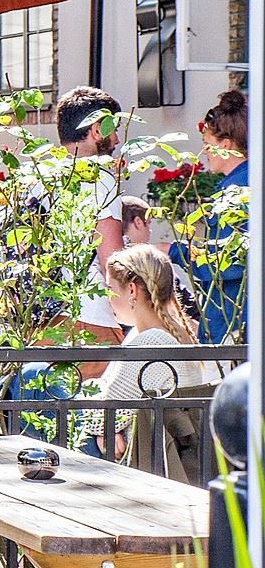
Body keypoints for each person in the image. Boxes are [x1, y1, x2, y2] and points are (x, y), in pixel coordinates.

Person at [79, 244, 209, 468]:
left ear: (132, 290)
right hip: (159, 451)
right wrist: (105, 428)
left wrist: (103, 430)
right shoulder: (178, 333)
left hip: (143, 458)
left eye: (110, 289)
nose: (107, 298)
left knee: (37, 383)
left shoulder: (150, 343)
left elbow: (104, 415)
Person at [173, 89, 248, 344]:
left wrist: (177, 252)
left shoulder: (237, 190)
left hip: (233, 319)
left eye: (208, 144)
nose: (203, 152)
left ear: (225, 145)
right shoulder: (243, 181)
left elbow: (229, 265)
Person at [57, 85, 128, 343]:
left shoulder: (42, 177)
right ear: (97, 130)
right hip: (90, 318)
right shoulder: (98, 178)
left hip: (43, 316)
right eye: (114, 129)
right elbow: (112, 260)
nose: (118, 140)